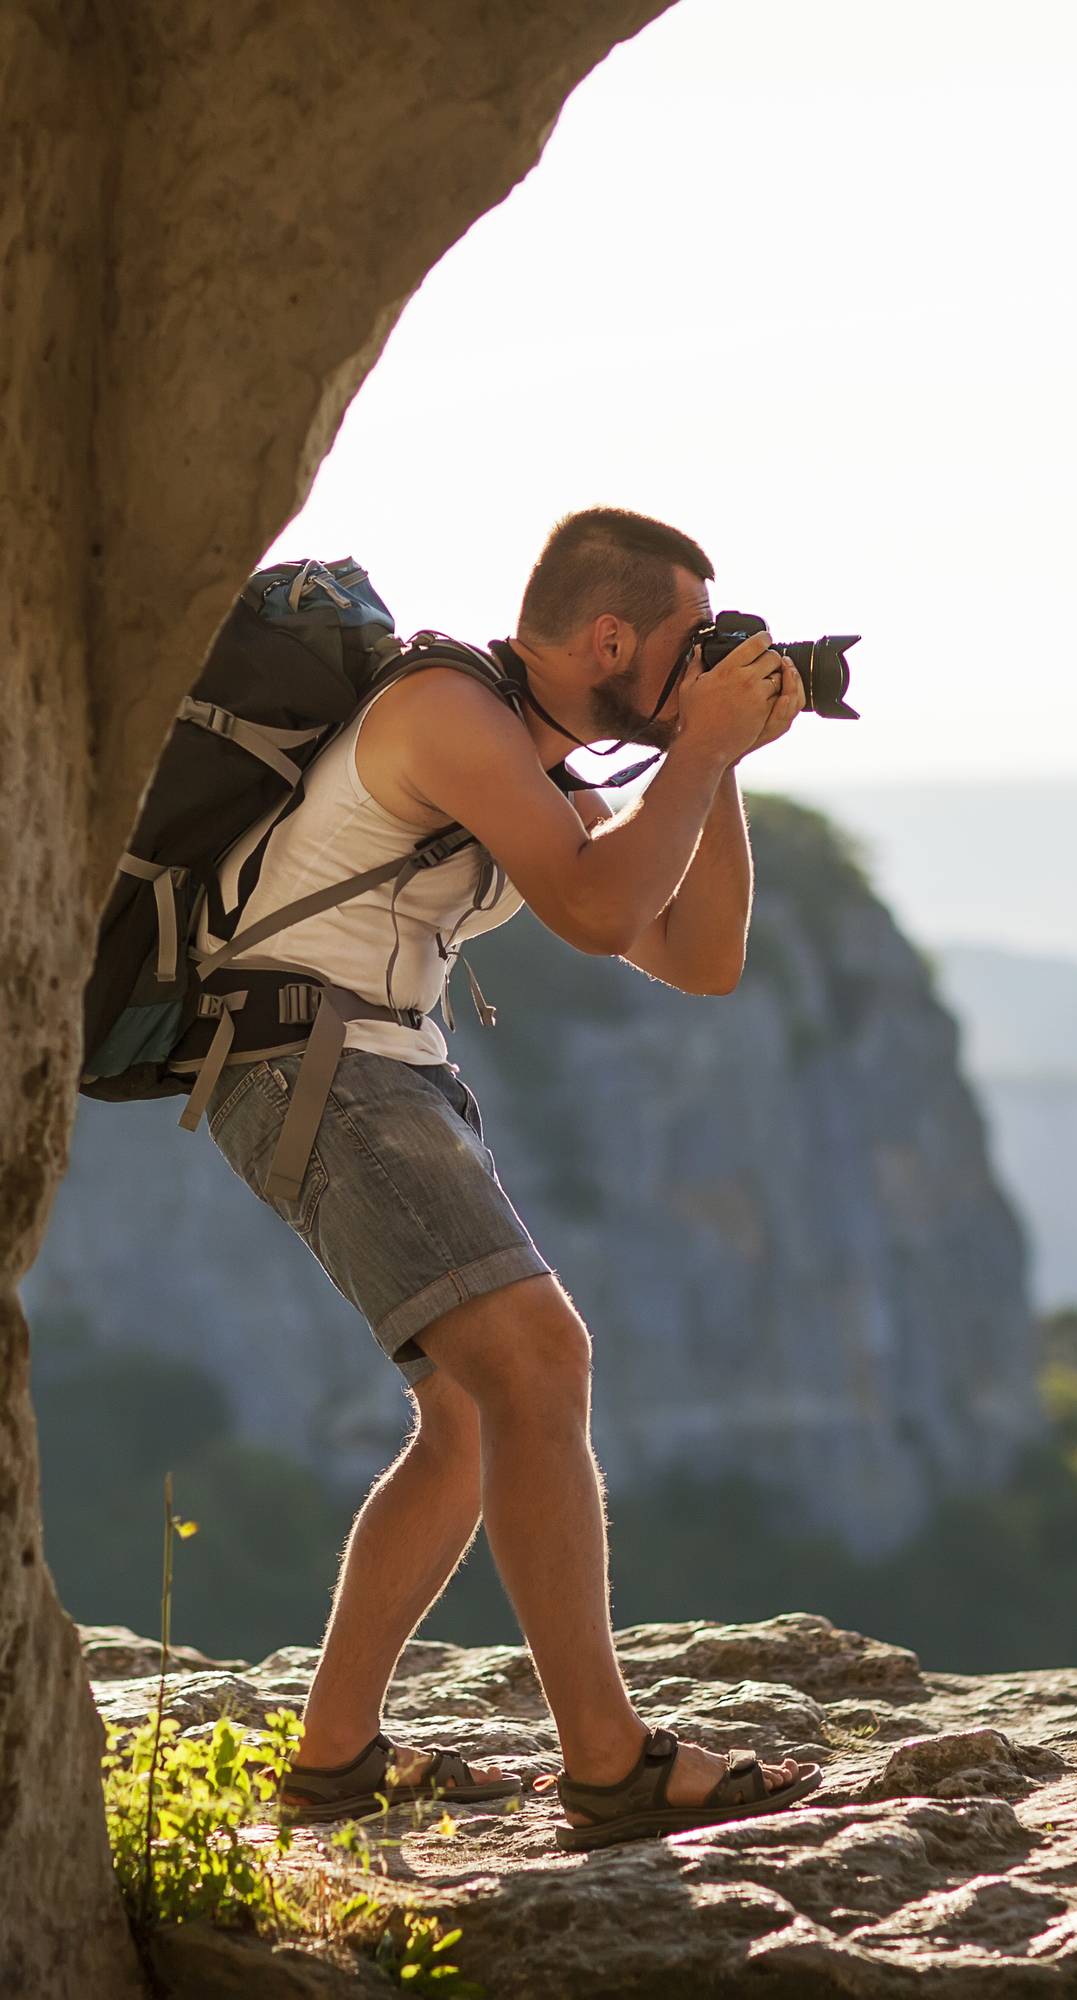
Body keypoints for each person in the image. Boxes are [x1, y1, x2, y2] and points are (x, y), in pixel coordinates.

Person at [201, 507, 822, 1848]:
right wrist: (701, 743)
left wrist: (710, 764)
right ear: (610, 636)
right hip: (312, 1057)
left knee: (475, 1419)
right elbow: (600, 915)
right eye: (686, 646)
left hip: (379, 1065)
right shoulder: (445, 711)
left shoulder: (555, 776)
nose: (701, 671)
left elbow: (698, 957)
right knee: (540, 1364)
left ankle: (335, 1756)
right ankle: (608, 1763)